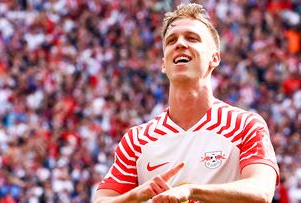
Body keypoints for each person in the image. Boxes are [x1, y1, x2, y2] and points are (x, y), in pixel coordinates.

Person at [93, 3, 279, 203]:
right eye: (171, 40)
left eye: (192, 38)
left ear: (214, 58)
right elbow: (102, 200)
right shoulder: (137, 139)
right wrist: (137, 194)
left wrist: (192, 191)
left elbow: (261, 191)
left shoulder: (244, 125)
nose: (180, 44)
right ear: (164, 64)